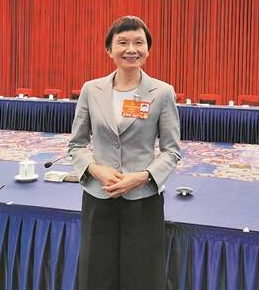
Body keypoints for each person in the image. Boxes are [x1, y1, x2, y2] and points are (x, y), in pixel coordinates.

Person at [69, 15, 181, 290]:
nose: (131, 49)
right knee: (96, 276)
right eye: (123, 42)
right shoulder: (91, 90)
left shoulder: (162, 93)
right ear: (109, 49)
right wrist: (95, 169)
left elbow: (171, 152)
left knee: (143, 278)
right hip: (99, 196)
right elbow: (76, 145)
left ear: (148, 49)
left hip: (142, 200)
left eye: (138, 42)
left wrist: (142, 177)